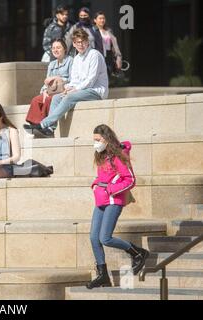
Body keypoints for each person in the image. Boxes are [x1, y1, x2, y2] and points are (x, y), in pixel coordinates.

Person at [86, 124, 149, 289]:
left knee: (105, 238)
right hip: (101, 201)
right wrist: (95, 185)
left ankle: (137, 253)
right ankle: (103, 275)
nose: (95, 144)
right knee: (94, 238)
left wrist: (109, 190)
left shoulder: (119, 156)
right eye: (94, 140)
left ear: (107, 139)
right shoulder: (101, 155)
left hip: (114, 201)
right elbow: (103, 176)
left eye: (98, 140)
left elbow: (130, 179)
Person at [24, 28, 108, 137]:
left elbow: (91, 80)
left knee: (69, 97)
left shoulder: (94, 55)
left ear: (87, 42)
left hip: (96, 91)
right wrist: (68, 88)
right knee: (57, 97)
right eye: (78, 42)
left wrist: (74, 90)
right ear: (73, 44)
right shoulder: (77, 58)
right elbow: (75, 80)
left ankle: (44, 124)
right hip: (82, 90)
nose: (81, 44)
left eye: (83, 41)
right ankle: (50, 129)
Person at [26, 39, 73, 126]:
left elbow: (72, 79)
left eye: (58, 48)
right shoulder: (51, 64)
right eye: (53, 48)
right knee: (36, 100)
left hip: (63, 91)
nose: (55, 50)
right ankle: (33, 125)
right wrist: (44, 91)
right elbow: (46, 82)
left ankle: (42, 125)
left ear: (65, 49)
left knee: (48, 100)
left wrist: (57, 77)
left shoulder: (70, 61)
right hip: (51, 91)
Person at [94, 11, 123, 76]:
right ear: (95, 20)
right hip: (98, 56)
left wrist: (118, 58)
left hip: (108, 56)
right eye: (100, 18)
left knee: (108, 75)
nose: (102, 20)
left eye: (103, 18)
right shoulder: (93, 31)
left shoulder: (109, 31)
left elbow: (114, 45)